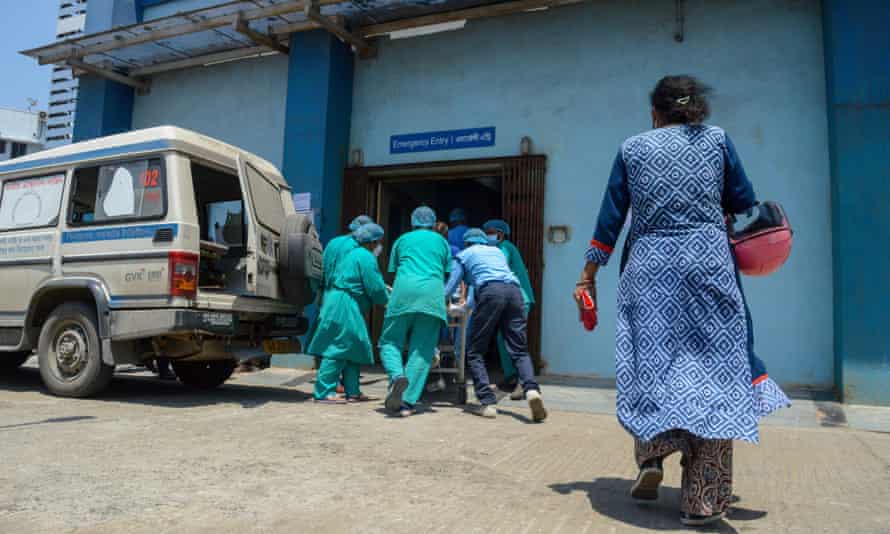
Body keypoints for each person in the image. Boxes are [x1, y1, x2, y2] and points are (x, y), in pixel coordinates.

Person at [576, 75, 789, 526]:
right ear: (695, 111)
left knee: (651, 365)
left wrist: (589, 272)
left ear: (655, 113)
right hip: (707, 264)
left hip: (649, 269)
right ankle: (703, 501)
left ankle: (652, 455)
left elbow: (611, 217)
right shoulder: (717, 140)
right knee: (715, 374)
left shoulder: (633, 148)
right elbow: (744, 200)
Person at [445, 228, 547, 422]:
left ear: (467, 243)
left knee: (474, 351)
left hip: (491, 293)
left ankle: (487, 402)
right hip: (514, 292)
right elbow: (480, 287)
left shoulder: (464, 255)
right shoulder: (497, 252)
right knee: (519, 350)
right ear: (484, 241)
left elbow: (451, 286)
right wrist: (468, 305)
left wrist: (440, 302)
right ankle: (532, 390)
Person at [379, 206, 452, 417]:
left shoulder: (402, 240)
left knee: (389, 342)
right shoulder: (441, 242)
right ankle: (407, 402)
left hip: (403, 293)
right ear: (432, 222)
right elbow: (447, 273)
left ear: (413, 222)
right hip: (432, 297)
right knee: (422, 350)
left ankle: (396, 376)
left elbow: (393, 270)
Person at [309, 223, 389, 403]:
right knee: (338, 346)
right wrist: (389, 303)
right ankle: (324, 392)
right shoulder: (365, 257)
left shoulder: (352, 254)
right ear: (373, 241)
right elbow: (375, 287)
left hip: (340, 302)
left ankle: (353, 391)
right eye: (378, 243)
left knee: (354, 346)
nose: (379, 247)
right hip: (344, 305)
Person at [306, 214, 375, 369]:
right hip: (347, 297)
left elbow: (322, 267)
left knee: (324, 333)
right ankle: (336, 379)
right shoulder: (357, 248)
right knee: (345, 338)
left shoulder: (333, 243)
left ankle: (325, 372)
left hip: (326, 293)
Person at [483, 219, 535, 400]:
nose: (488, 235)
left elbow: (497, 266)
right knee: (501, 339)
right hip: (507, 299)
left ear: (501, 234)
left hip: (518, 298)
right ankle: (511, 376)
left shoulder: (505, 247)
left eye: (492, 232)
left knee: (515, 340)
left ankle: (523, 382)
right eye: (486, 232)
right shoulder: (497, 247)